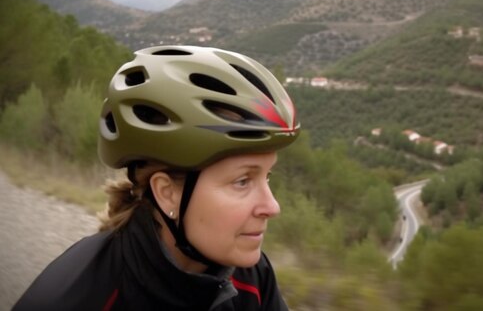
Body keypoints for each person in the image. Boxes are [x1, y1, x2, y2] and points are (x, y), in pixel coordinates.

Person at [13, 45, 300, 310]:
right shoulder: (72, 299)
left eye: (267, 177)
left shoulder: (252, 278)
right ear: (167, 192)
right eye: (242, 181)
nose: (272, 207)